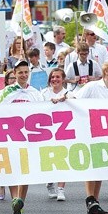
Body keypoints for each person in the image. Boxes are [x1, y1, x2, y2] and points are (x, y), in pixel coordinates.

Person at [0, 60, 43, 214]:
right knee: (13, 170)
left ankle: (20, 202)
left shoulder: (35, 94)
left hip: (29, 139)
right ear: (15, 74)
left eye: (26, 72)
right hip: (10, 138)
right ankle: (15, 198)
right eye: (20, 72)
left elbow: (44, 112)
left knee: (26, 171)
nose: (24, 75)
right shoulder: (5, 92)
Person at [73, 60, 108, 214]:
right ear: (106, 73)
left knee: (101, 166)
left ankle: (95, 202)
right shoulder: (92, 86)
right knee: (93, 165)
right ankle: (90, 198)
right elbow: (75, 99)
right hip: (91, 131)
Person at [41, 67, 69, 201]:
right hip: (47, 130)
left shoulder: (69, 93)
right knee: (50, 158)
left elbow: (75, 100)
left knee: (62, 159)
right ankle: (49, 182)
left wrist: (65, 99)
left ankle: (61, 189)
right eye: (52, 77)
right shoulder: (43, 93)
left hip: (63, 131)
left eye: (58, 77)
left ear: (63, 79)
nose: (55, 79)